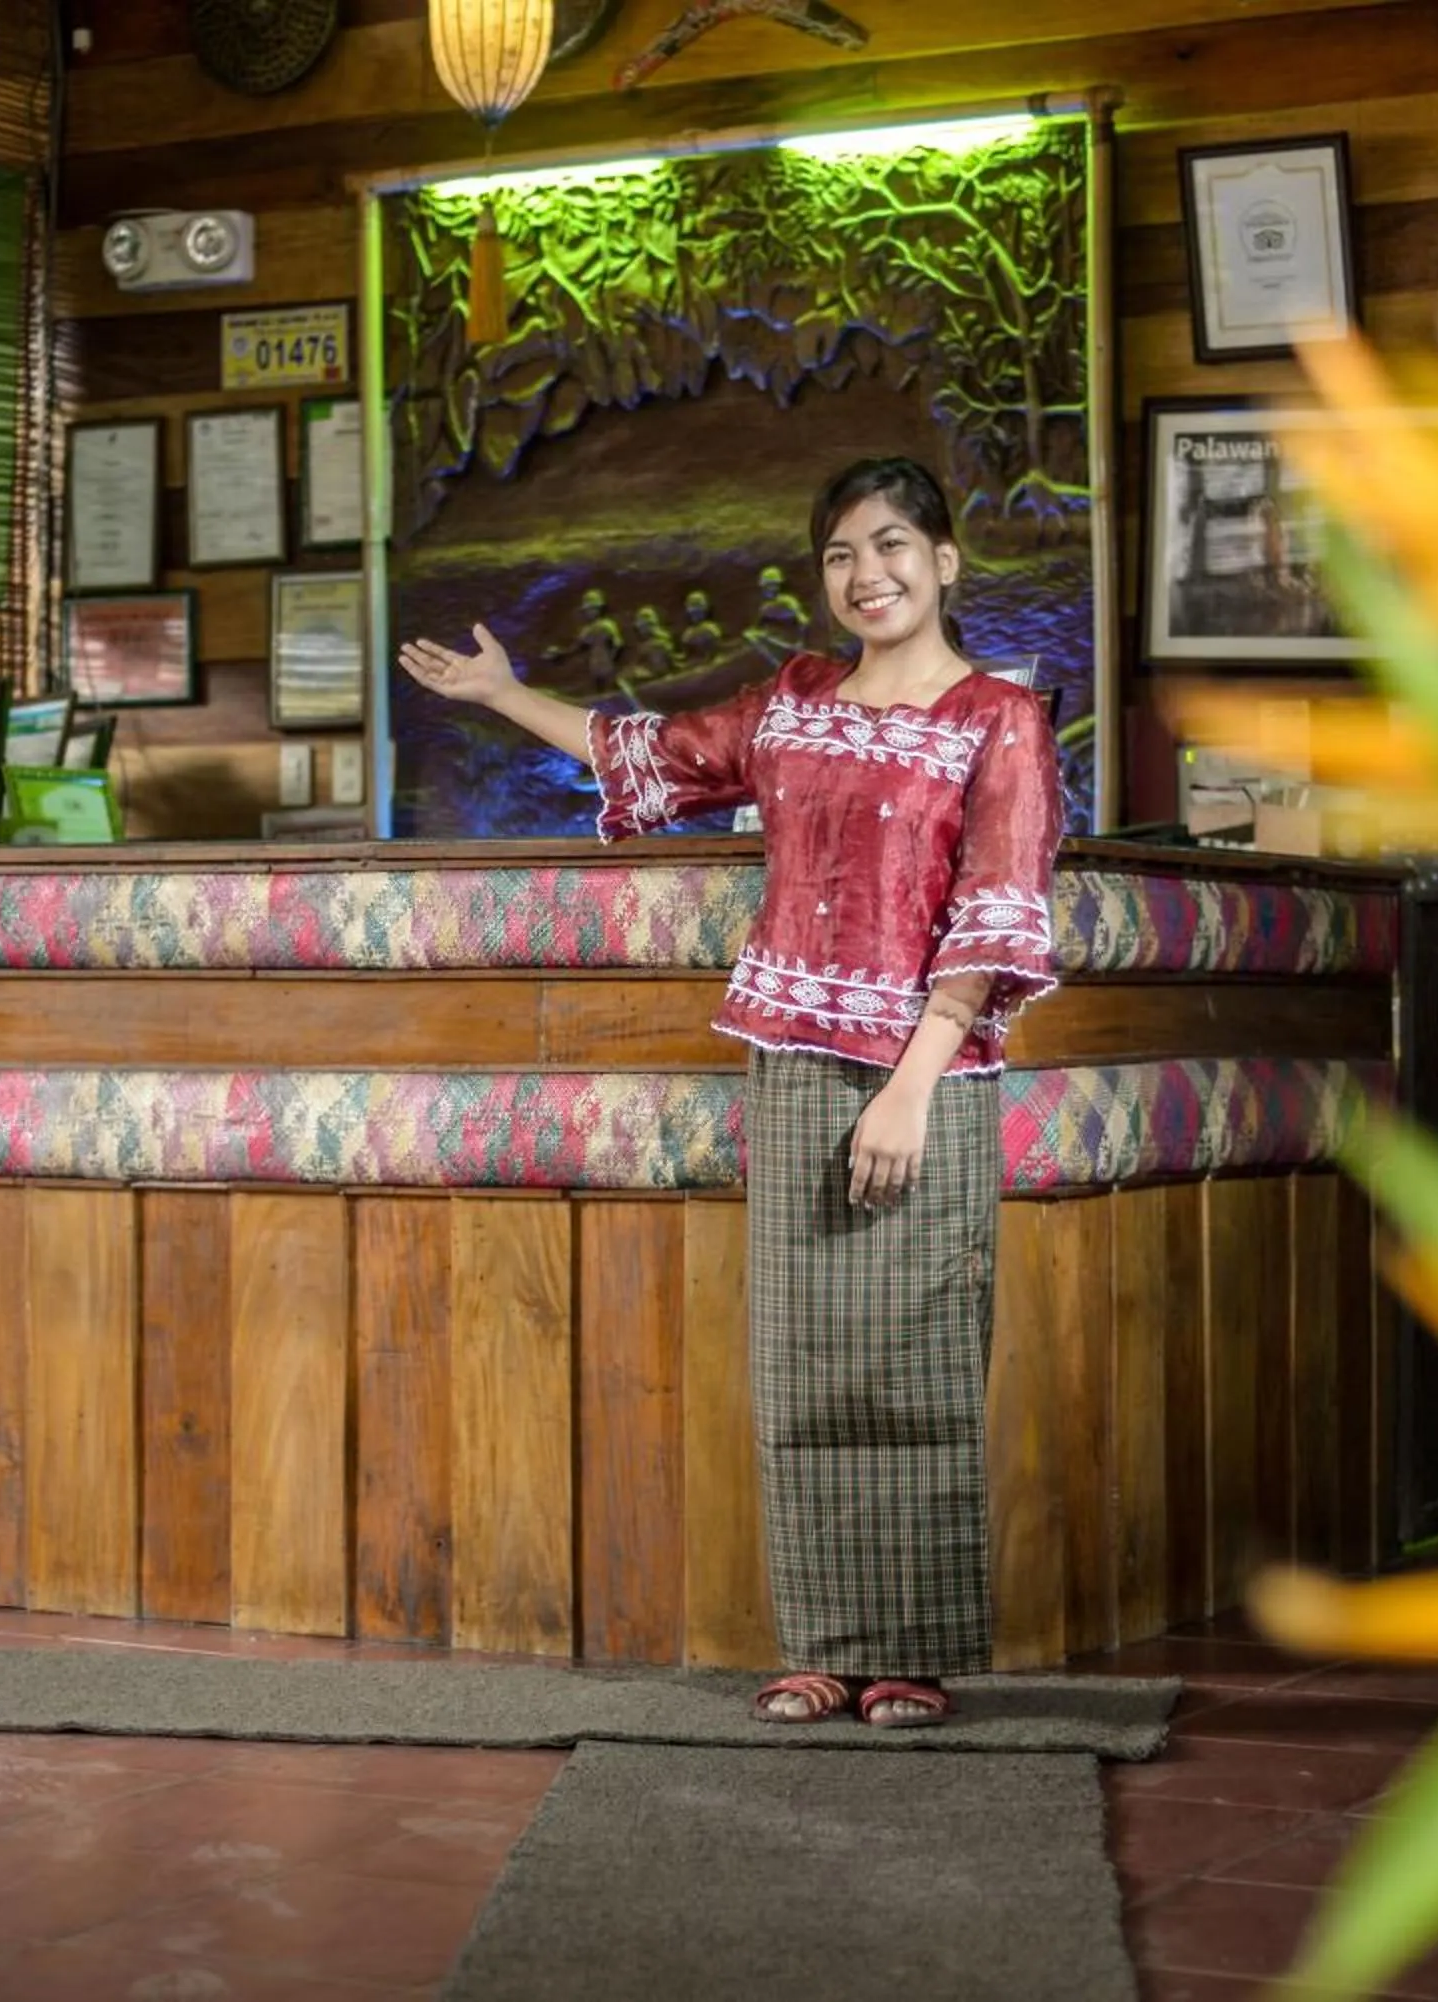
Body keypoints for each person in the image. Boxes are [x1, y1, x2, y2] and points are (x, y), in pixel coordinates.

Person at [396, 457, 1062, 1729]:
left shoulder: (998, 718)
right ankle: (819, 1643)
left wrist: (912, 1084)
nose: (867, 576)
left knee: (915, 1354)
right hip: (793, 1060)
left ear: (945, 562)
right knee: (803, 1359)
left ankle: (909, 1654)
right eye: (840, 557)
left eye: (891, 547)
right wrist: (502, 693)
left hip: (927, 1072)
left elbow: (998, 903)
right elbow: (646, 753)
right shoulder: (795, 700)